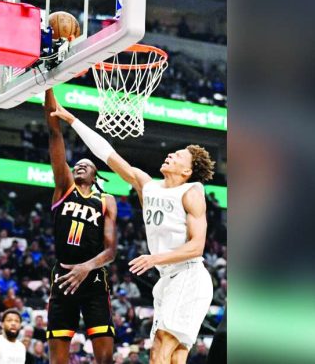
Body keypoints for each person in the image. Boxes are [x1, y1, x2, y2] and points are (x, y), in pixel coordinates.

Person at [50, 97, 216, 364]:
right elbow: (108, 154)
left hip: (189, 276)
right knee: (175, 356)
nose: (170, 154)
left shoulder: (192, 191)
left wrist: (153, 258)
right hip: (167, 279)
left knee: (160, 346)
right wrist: (73, 121)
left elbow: (197, 246)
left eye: (178, 156)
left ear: (188, 170)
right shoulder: (146, 185)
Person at [44, 89, 118, 364]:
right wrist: (48, 86)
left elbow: (110, 251)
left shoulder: (106, 200)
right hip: (63, 278)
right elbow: (54, 134)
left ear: (96, 175)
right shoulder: (64, 189)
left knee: (105, 359)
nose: (80, 166)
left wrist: (86, 267)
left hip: (94, 279)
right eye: (77, 164)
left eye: (86, 164)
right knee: (58, 358)